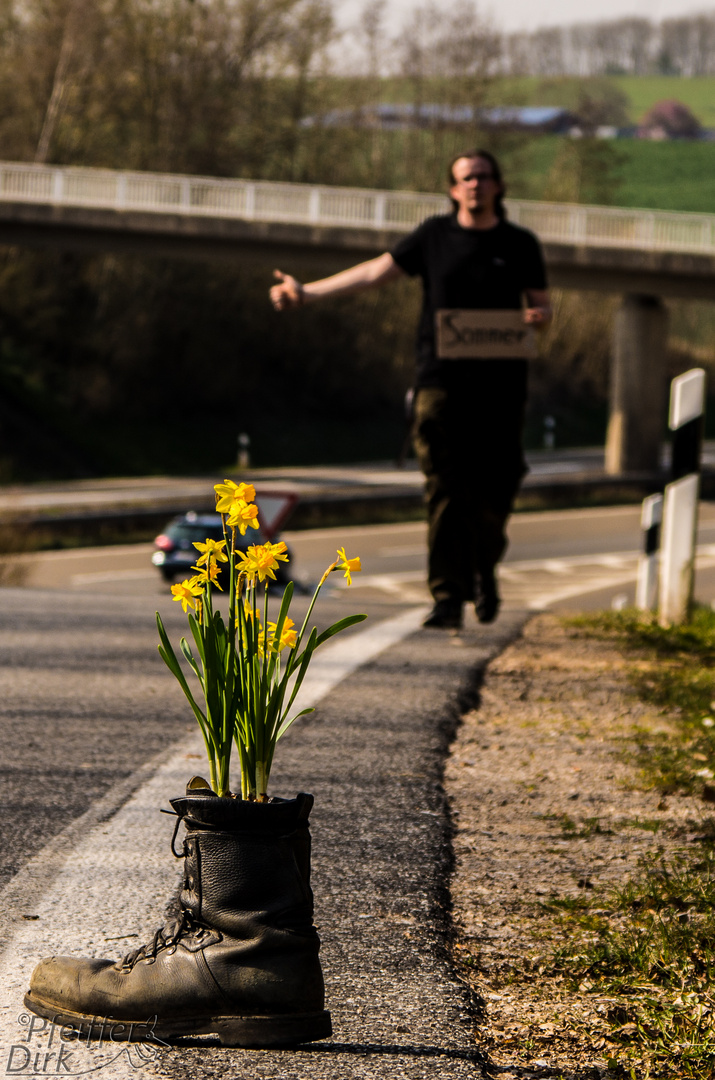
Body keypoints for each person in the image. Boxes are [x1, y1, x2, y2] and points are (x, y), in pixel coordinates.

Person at [270, 149, 551, 629]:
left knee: (496, 488)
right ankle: (447, 596)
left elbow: (542, 309)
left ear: (499, 186)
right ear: (452, 188)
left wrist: (539, 318)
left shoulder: (520, 243)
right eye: (466, 179)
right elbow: (374, 274)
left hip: (501, 389)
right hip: (439, 384)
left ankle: (483, 567)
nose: (476, 186)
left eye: (484, 178)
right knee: (444, 489)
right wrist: (308, 292)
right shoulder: (433, 238)